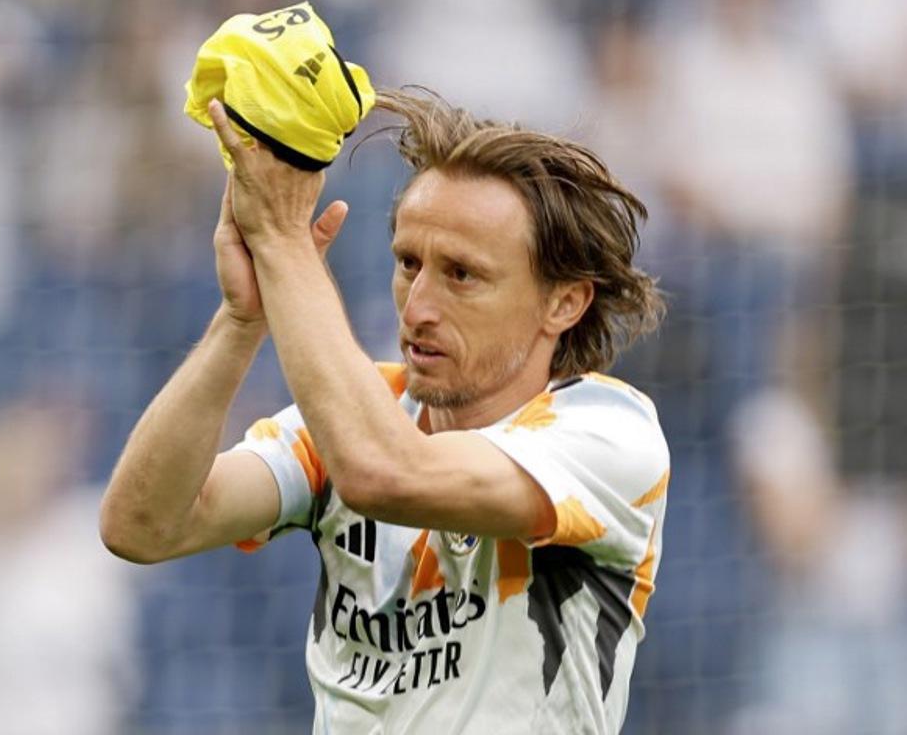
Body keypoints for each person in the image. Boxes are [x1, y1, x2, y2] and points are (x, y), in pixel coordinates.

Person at [100, 88, 669, 733]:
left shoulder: (608, 433)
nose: (418, 305)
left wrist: (284, 241)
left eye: (462, 274)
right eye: (408, 263)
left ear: (563, 304)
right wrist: (241, 320)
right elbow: (142, 526)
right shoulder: (358, 416)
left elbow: (384, 475)